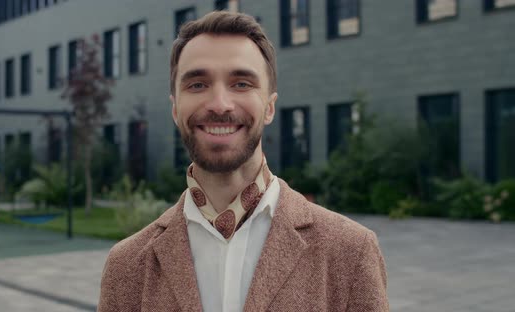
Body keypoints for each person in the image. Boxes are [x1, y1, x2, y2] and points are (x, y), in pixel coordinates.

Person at [98, 11, 388, 312]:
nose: (220, 104)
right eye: (197, 84)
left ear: (270, 108)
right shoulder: (127, 268)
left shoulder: (350, 253)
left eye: (241, 84)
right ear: (175, 109)